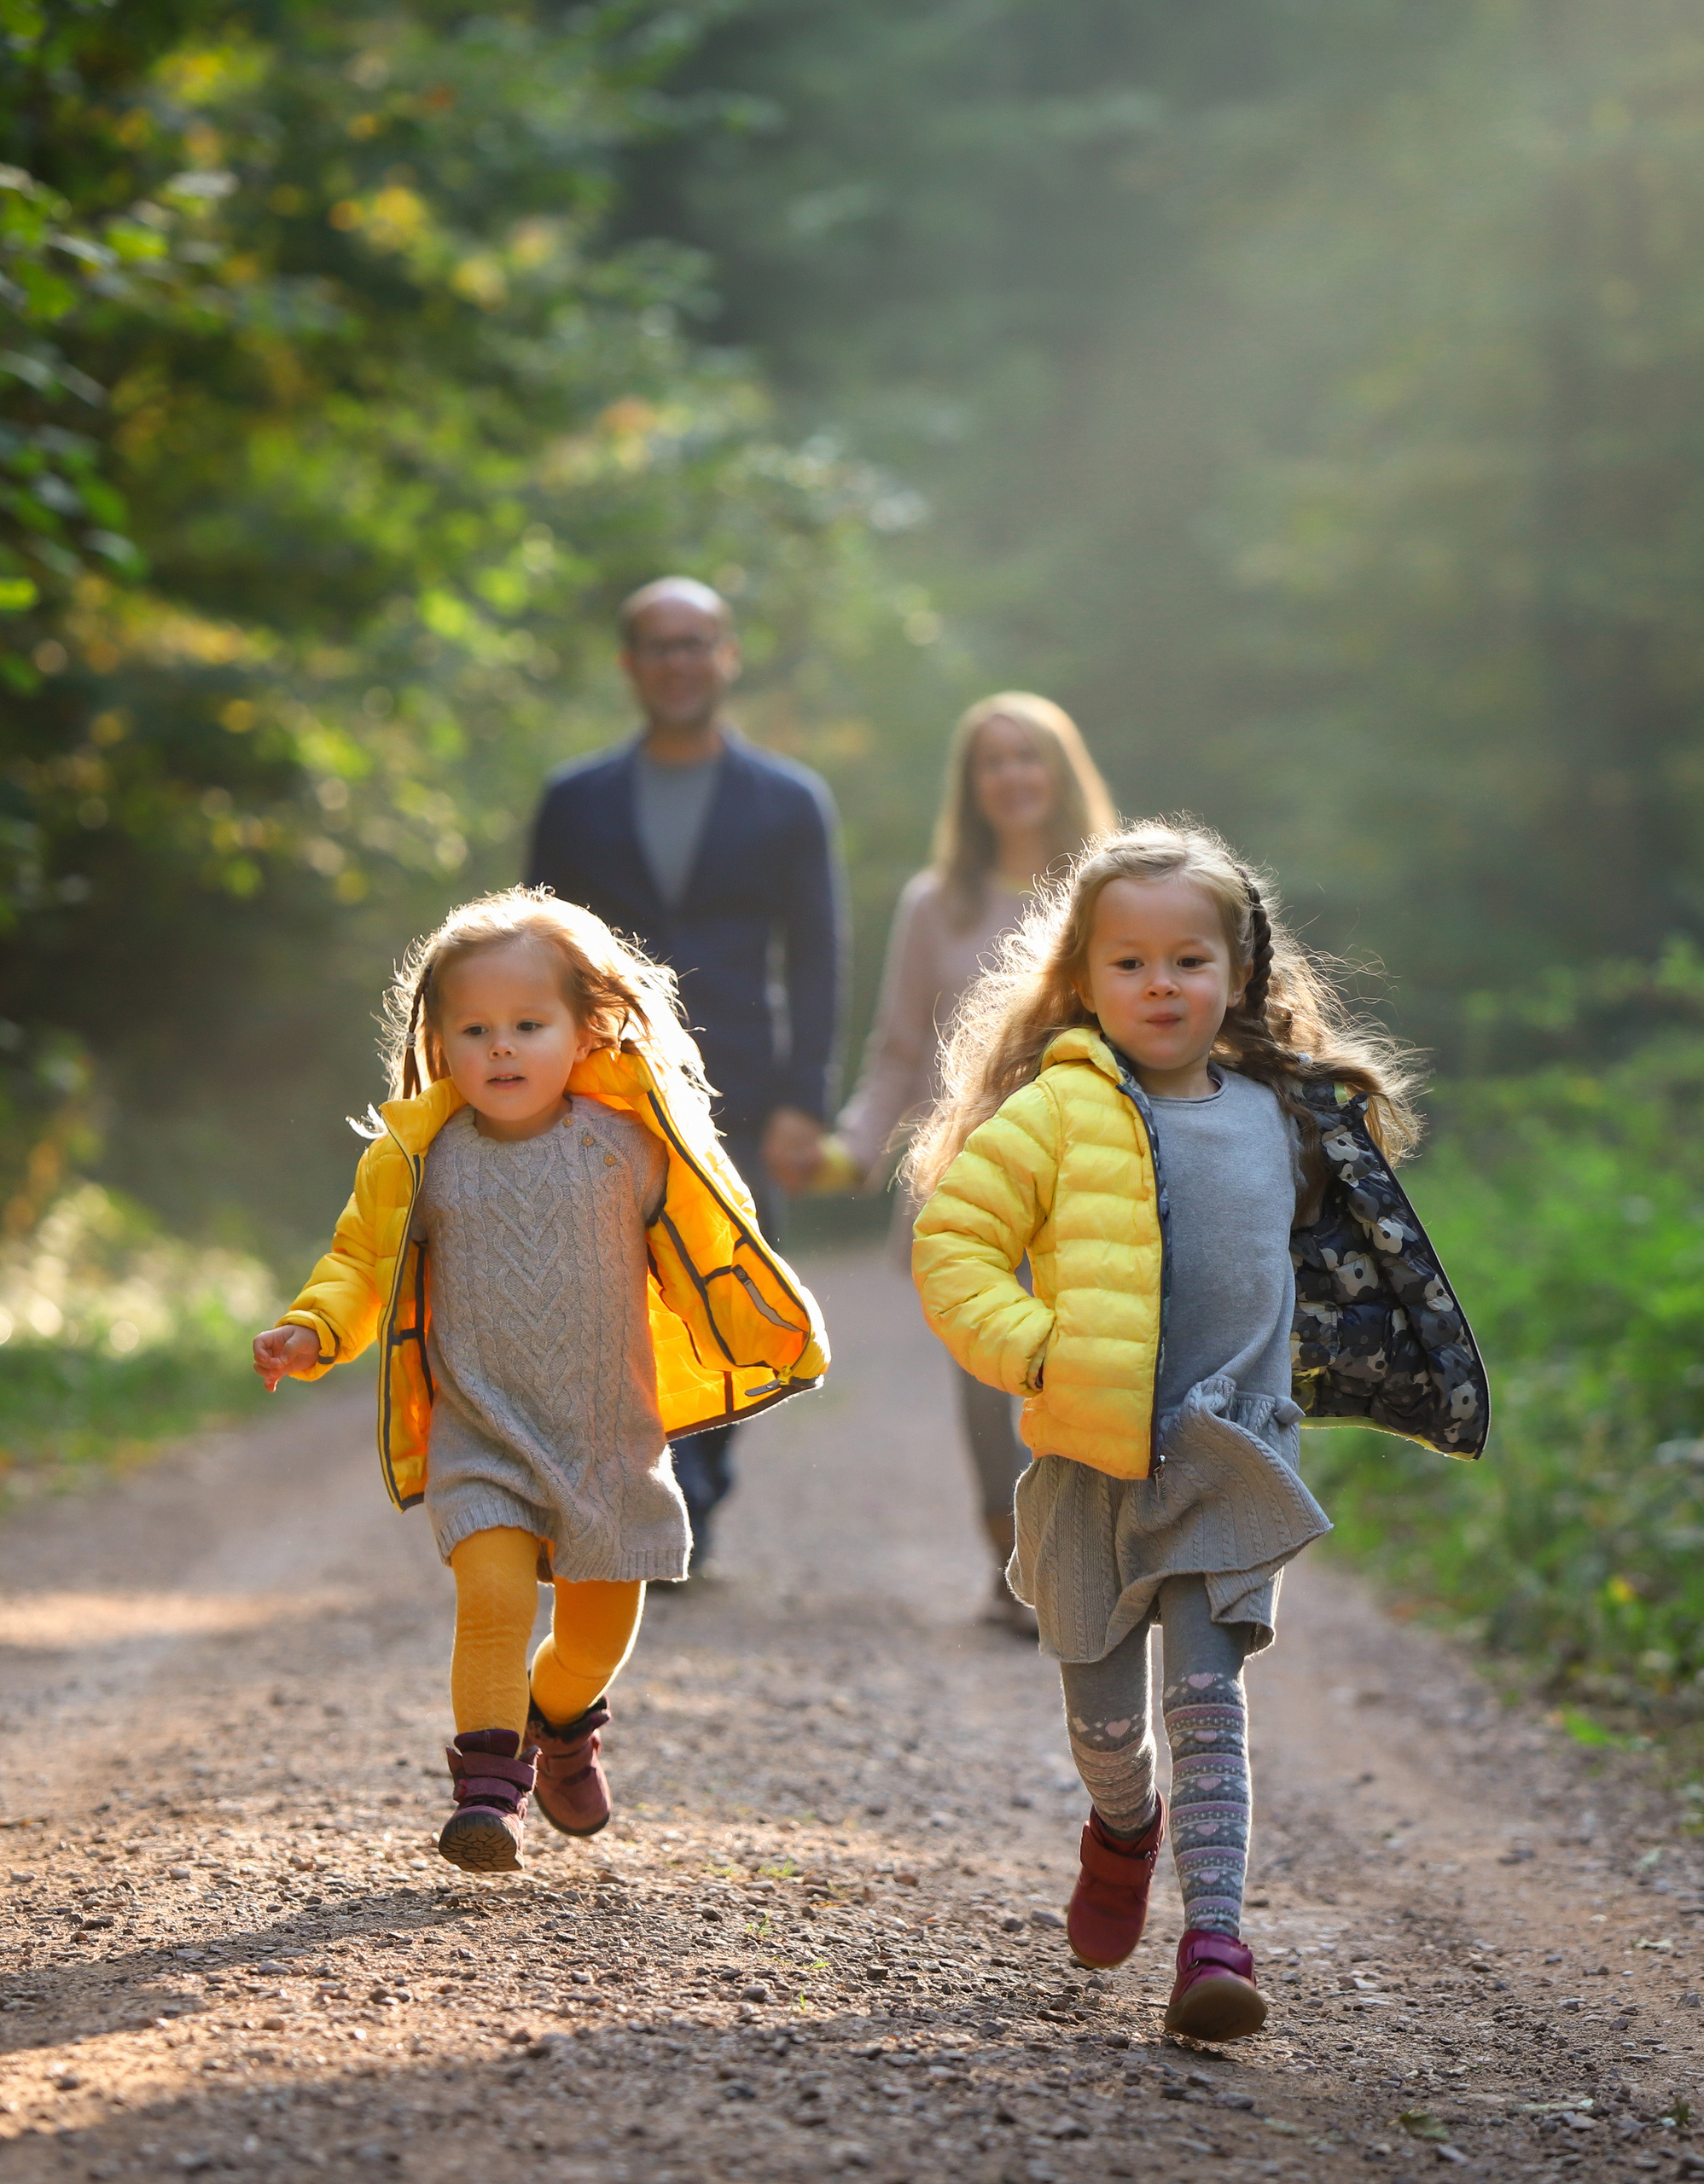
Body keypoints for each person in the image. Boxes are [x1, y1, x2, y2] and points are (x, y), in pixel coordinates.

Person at [907, 822, 1487, 2040]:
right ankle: (1123, 1828)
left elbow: (1350, 1260)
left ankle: (1215, 1941)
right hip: (1091, 1456)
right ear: (1084, 978)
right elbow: (955, 1246)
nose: (1159, 985)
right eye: (1129, 963)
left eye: (1187, 960)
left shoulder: (1287, 1117)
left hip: (1231, 1451)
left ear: (1239, 974)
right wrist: (1036, 1348)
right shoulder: (1054, 1114)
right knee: (1107, 1728)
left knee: (1209, 1702)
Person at [249, 890, 829, 1872]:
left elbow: (705, 1244)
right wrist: (312, 1329)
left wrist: (758, 1327)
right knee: (492, 1598)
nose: (502, 1049)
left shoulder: (631, 1147)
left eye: (528, 1025)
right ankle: (487, 1793)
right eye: (475, 1030)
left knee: (594, 1640)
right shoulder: (419, 1163)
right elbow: (360, 1264)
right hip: (482, 1438)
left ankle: (559, 1724)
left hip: (608, 1442)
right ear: (439, 1041)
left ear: (584, 1029)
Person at [526, 577, 843, 1571]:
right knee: (604, 1301)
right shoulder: (574, 802)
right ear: (630, 665)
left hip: (742, 1094)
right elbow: (531, 948)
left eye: (695, 642)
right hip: (600, 1089)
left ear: (727, 655)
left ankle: (696, 1499)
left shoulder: (791, 801)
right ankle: (632, 1502)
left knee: (726, 1293)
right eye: (657, 646)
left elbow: (820, 955)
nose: (677, 662)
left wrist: (805, 1103)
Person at [826, 693, 1115, 1635]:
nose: (1012, 777)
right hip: (970, 1184)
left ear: (1059, 772)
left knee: (1084, 1373)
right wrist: (854, 1147)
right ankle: (1015, 1566)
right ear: (971, 786)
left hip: (1091, 1178)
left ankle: (1087, 1560)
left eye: (1028, 758)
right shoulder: (932, 903)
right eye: (992, 762)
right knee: (992, 1383)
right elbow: (898, 1050)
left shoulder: (1109, 894)